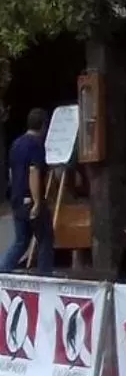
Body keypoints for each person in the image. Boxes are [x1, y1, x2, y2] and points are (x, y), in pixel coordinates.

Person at [2, 109, 52, 275]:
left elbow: (12, 172)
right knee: (45, 238)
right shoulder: (36, 144)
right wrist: (37, 201)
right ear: (43, 126)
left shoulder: (16, 144)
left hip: (17, 199)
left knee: (21, 241)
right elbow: (33, 172)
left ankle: (2, 271)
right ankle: (45, 278)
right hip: (30, 199)